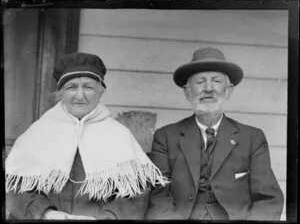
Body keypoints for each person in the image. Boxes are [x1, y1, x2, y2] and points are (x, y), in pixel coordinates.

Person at [5, 52, 168, 220]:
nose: (80, 95)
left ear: (100, 91)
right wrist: (46, 213)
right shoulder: (37, 133)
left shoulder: (119, 135)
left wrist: (105, 218)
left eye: (88, 87)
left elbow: (136, 195)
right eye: (71, 87)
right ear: (61, 93)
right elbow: (13, 187)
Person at [145, 47, 284, 220]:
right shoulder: (165, 137)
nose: (208, 89)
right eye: (200, 82)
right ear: (188, 92)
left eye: (217, 81)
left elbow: (268, 201)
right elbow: (158, 198)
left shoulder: (252, 138)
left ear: (229, 90)